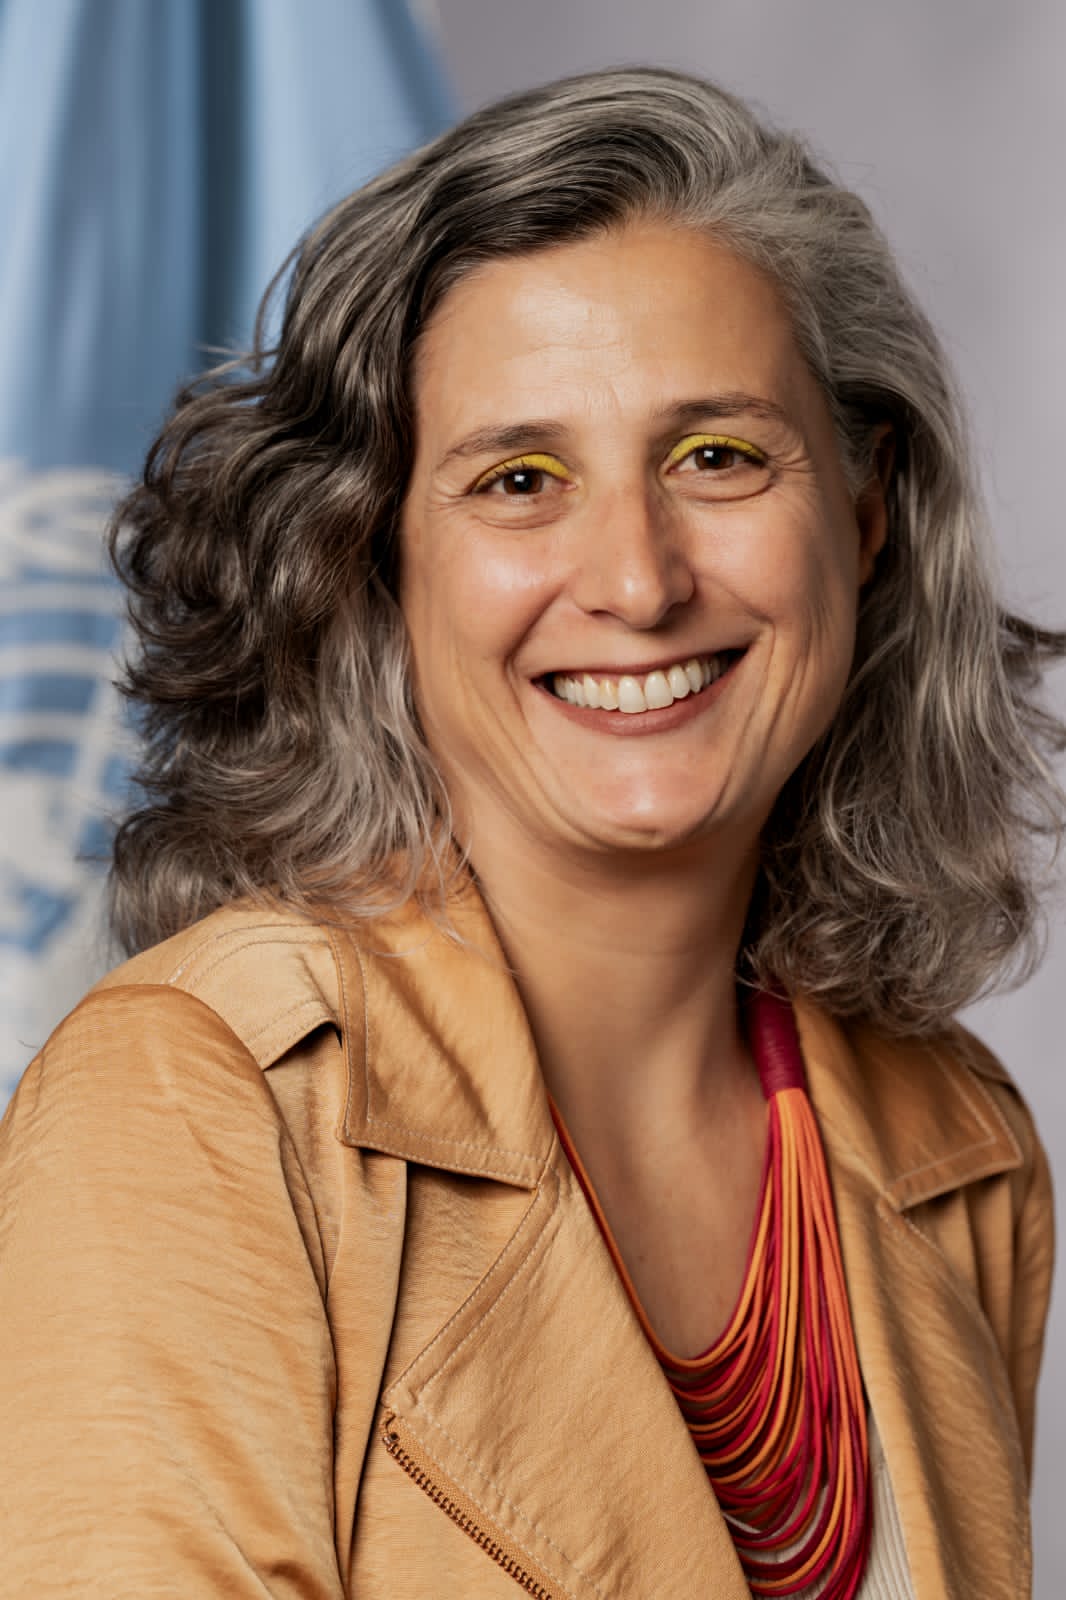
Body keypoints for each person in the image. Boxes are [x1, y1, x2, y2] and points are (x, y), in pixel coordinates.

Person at [0, 66, 1059, 1600]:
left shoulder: (954, 1143)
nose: (635, 580)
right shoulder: (201, 1095)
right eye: (518, 479)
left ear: (863, 508)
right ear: (373, 558)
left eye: (716, 456)